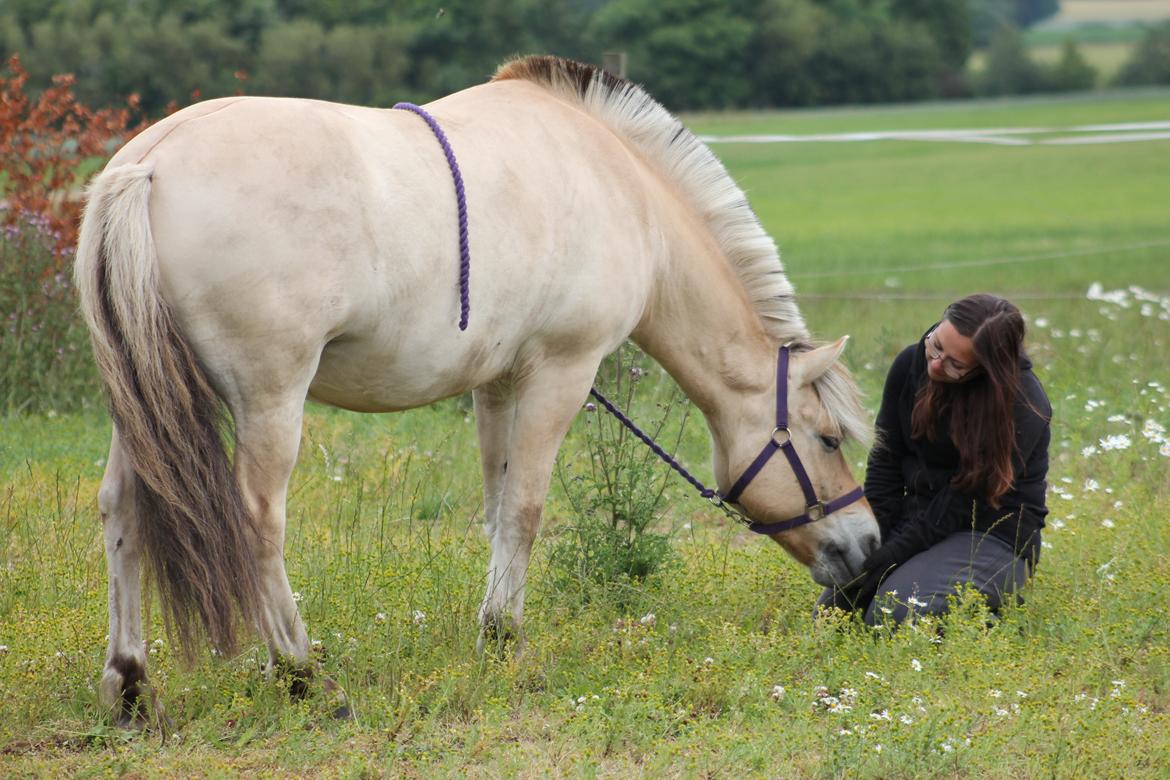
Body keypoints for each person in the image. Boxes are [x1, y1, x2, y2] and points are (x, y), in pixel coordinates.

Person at [819, 293, 1051, 624]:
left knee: (893, 614)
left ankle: (989, 620)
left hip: (988, 531)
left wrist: (894, 556)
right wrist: (878, 539)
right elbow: (886, 460)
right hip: (920, 517)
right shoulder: (910, 365)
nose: (936, 364)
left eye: (955, 364)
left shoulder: (1022, 404)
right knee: (832, 617)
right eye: (936, 344)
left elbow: (964, 502)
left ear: (986, 371)